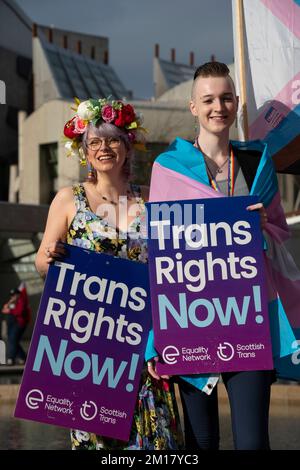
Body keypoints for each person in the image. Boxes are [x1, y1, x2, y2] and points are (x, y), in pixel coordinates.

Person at [147, 61, 299, 450]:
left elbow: (280, 234)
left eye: (227, 98)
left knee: (252, 442)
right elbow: (158, 258)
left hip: (247, 320)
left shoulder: (257, 161)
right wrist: (153, 340)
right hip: (189, 321)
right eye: (209, 99)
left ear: (237, 104)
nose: (219, 106)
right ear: (193, 107)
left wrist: (263, 226)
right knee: (202, 443)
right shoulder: (167, 168)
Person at [35, 97, 183, 450]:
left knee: (155, 444)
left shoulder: (152, 200)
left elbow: (178, 265)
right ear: (85, 152)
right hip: (91, 353)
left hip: (145, 349)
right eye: (95, 142)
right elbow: (43, 260)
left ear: (128, 146)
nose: (105, 148)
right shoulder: (68, 199)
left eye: (114, 139)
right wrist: (50, 259)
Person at [1, 287, 31, 365]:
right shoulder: (13, 302)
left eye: (14, 295)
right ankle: (23, 357)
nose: (12, 297)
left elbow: (19, 312)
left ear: (18, 295)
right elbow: (4, 309)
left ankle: (11, 358)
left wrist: (10, 310)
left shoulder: (21, 301)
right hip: (12, 324)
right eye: (11, 295)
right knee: (13, 340)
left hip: (19, 324)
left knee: (13, 339)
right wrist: (9, 304)